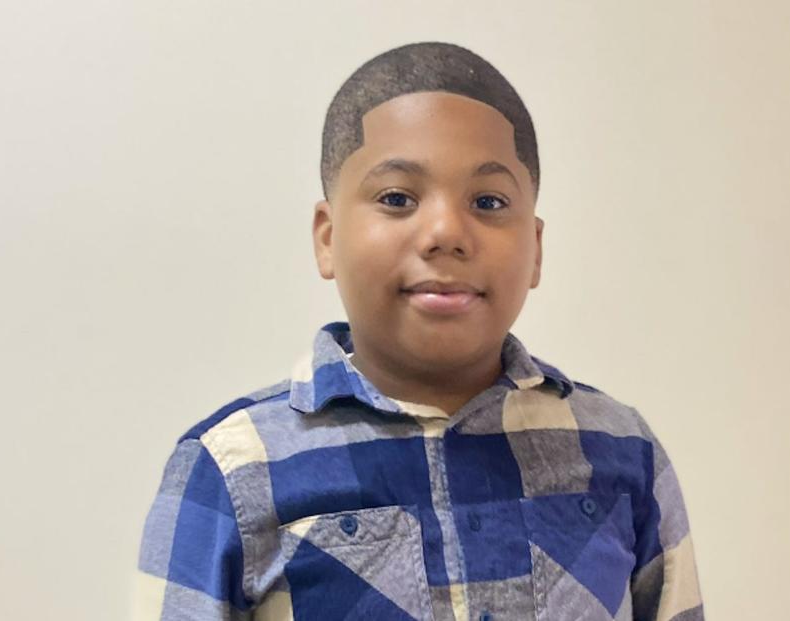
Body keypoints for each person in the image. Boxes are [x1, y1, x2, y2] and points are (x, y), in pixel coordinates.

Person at [135, 41, 704, 621]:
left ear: (535, 248)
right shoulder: (232, 470)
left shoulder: (624, 453)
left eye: (487, 201)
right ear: (328, 238)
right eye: (397, 198)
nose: (445, 232)